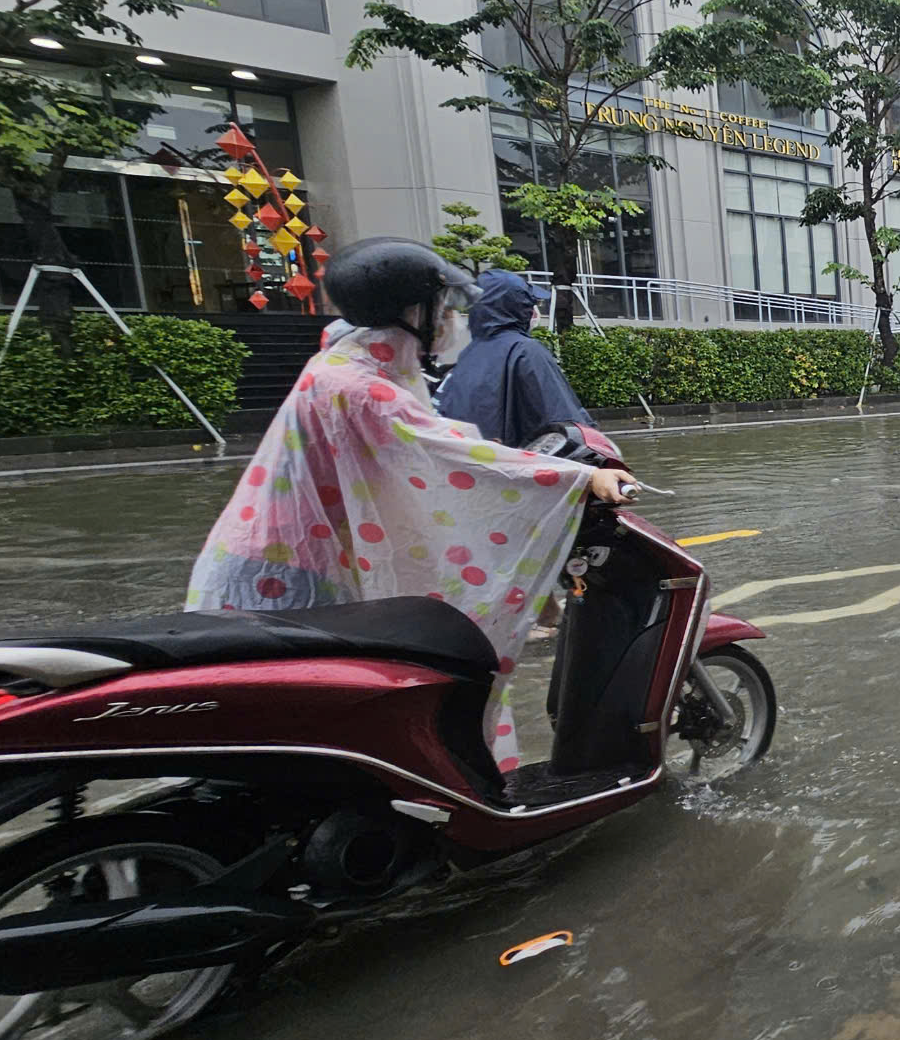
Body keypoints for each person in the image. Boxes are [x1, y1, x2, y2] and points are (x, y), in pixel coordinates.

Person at [186, 237, 635, 771]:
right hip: (293, 573)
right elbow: (450, 451)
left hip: (290, 560)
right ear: (413, 312)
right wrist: (583, 476)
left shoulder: (345, 365)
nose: (448, 320)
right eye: (441, 306)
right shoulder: (360, 386)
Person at [435, 269, 590, 448]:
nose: (534, 310)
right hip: (521, 469)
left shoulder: (468, 354)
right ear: (518, 306)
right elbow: (567, 426)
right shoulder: (525, 351)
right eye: (531, 302)